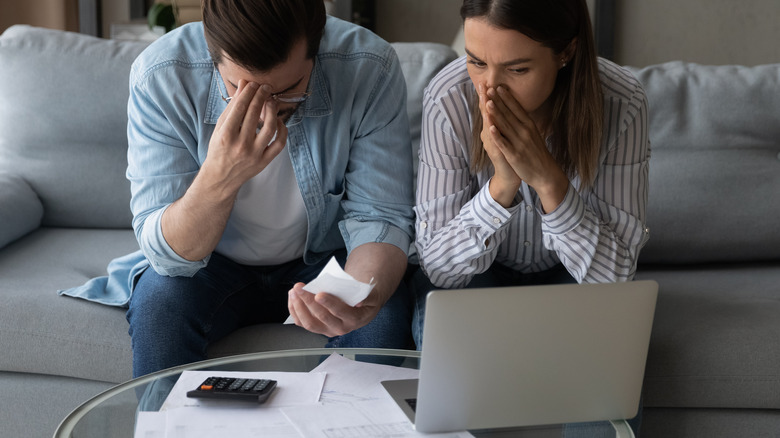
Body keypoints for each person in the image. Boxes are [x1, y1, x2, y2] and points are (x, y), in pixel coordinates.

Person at [62, 0, 416, 378]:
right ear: (214, 56)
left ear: (317, 49)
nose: (266, 109)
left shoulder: (368, 65)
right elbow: (169, 256)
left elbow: (380, 216)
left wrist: (364, 296)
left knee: (382, 318)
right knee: (160, 309)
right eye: (240, 89)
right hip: (211, 265)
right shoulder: (162, 75)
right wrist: (221, 174)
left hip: (327, 258)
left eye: (289, 90)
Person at [412, 0, 650, 434]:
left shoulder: (622, 102)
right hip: (477, 278)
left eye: (517, 70)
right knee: (450, 372)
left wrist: (549, 184)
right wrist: (501, 187)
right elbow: (440, 269)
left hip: (572, 276)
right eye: (476, 62)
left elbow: (615, 281)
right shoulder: (449, 98)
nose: (490, 89)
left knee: (606, 381)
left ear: (566, 52)